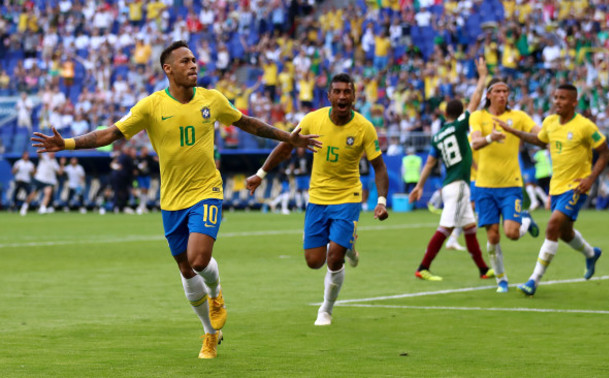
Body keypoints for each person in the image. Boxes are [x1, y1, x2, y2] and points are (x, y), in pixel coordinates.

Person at [31, 40, 321, 359]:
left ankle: (216, 294)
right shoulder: (151, 106)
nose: (193, 64)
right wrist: (68, 143)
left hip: (207, 191)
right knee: (185, 269)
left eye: (195, 59)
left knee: (199, 260)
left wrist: (287, 136)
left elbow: (248, 122)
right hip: (171, 200)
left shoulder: (213, 99)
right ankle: (210, 333)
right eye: (185, 61)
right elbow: (110, 134)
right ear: (168, 69)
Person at [245, 73, 389, 326]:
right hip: (318, 198)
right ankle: (348, 242)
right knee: (314, 262)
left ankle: (326, 309)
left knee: (334, 258)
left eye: (348, 92)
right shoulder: (313, 120)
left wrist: (382, 201)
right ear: (329, 96)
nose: (343, 96)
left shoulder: (364, 127)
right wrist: (260, 174)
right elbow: (287, 146)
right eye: (338, 92)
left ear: (354, 97)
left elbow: (379, 167)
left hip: (348, 197)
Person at [493, 83, 609, 296]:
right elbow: (539, 140)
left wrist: (591, 178)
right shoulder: (550, 122)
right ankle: (591, 254)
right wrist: (513, 131)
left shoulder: (585, 126)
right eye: (555, 97)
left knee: (552, 226)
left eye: (563, 98)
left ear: (574, 102)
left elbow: (604, 152)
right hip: (556, 186)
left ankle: (533, 281)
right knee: (564, 233)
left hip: (576, 187)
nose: (557, 101)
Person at [408, 57, 493, 282]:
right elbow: (475, 101)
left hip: (451, 184)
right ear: (461, 113)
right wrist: (483, 77)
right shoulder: (459, 126)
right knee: (445, 227)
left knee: (470, 228)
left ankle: (483, 269)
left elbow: (429, 163)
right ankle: (423, 267)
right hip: (458, 185)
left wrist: (419, 186)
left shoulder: (438, 135)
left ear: (445, 115)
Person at [469, 76, 540, 293]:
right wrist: (491, 137)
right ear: (488, 95)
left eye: (506, 91)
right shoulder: (478, 116)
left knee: (511, 233)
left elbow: (539, 133)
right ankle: (501, 280)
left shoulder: (518, 116)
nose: (502, 95)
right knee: (492, 236)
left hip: (511, 185)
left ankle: (525, 220)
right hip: (484, 186)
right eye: (497, 91)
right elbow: (475, 142)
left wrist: (521, 133)